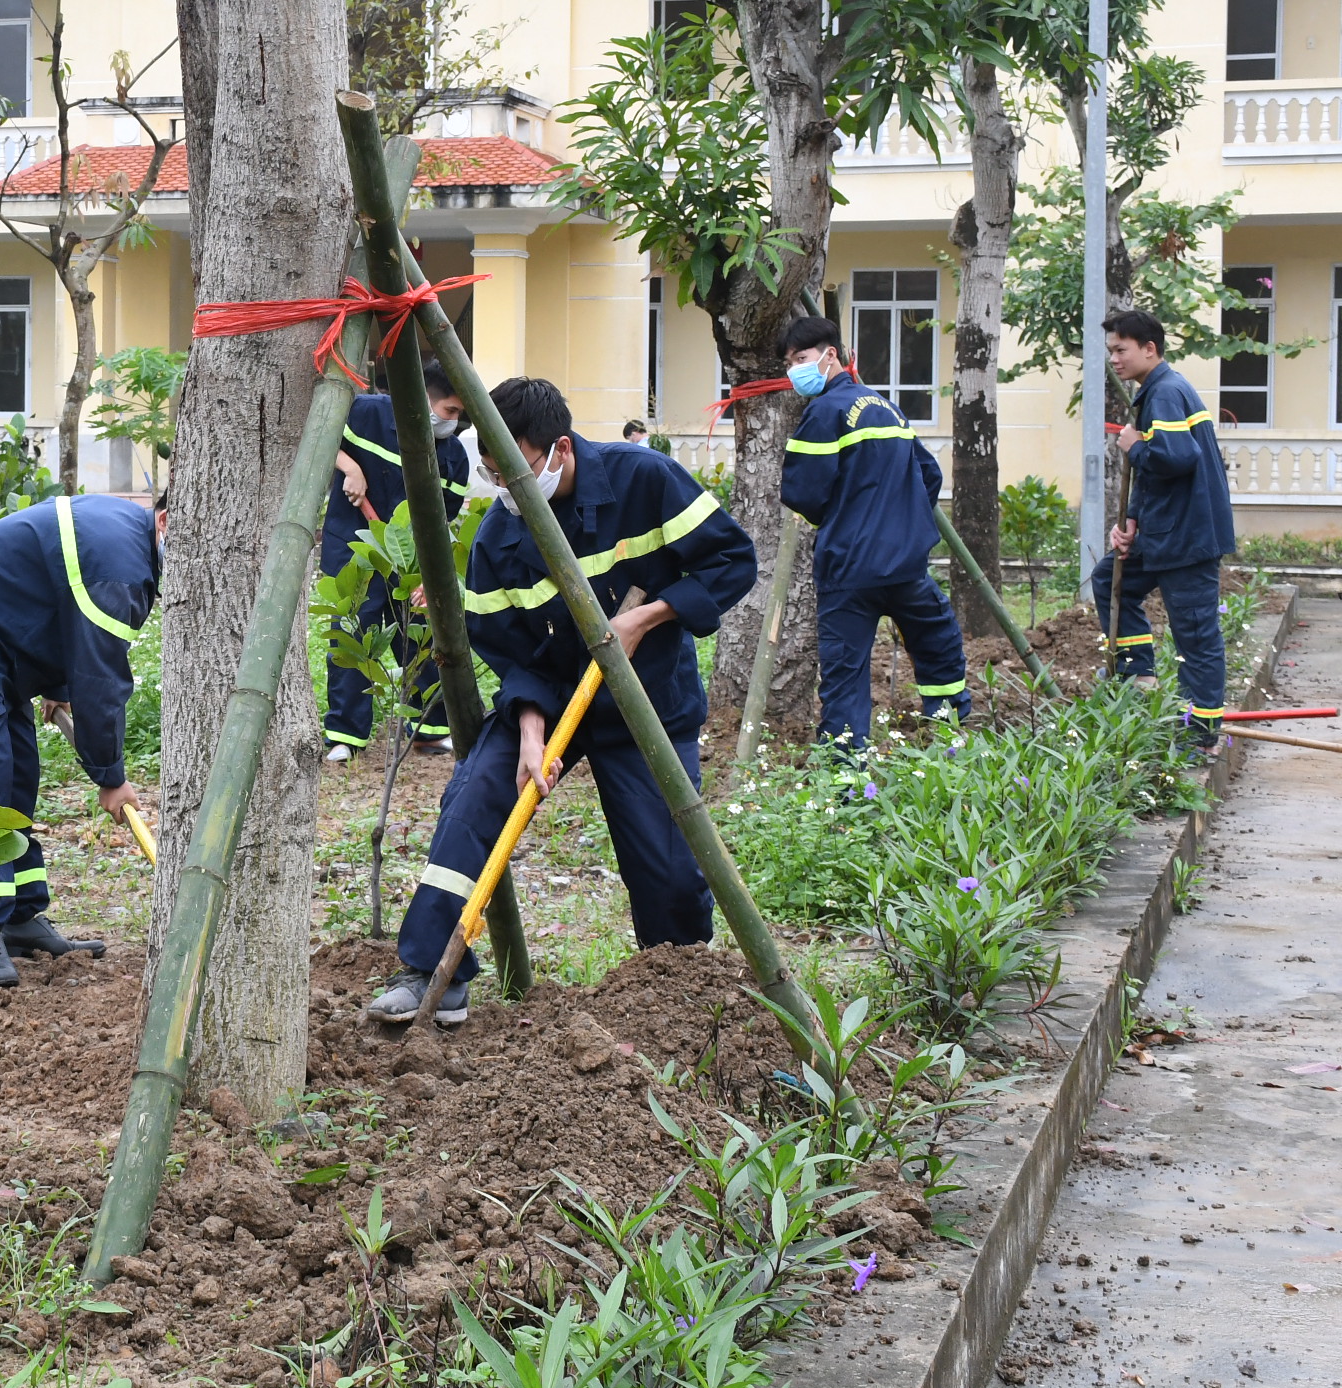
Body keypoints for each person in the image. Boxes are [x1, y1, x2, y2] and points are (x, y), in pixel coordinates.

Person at [368, 377, 755, 1026]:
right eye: (493, 474)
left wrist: (647, 617)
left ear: (561, 450)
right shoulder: (499, 538)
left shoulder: (644, 480)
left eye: (515, 471)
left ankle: (679, 992)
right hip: (549, 703)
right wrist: (529, 732)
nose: (505, 489)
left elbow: (732, 560)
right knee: (473, 799)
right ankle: (433, 971)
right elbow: (514, 653)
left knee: (668, 870)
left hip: (644, 706)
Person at [0, 493, 161, 987]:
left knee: (19, 775)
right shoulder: (120, 569)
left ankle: (19, 917)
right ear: (165, 521)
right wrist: (111, 777)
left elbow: (62, 605)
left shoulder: (127, 539)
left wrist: (56, 686)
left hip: (1, 638)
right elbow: (100, 679)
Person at [777, 316, 970, 751]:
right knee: (938, 644)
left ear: (830, 355)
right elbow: (929, 474)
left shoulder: (823, 413)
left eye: (801, 359)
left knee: (845, 674)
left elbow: (802, 491)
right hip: (906, 566)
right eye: (789, 364)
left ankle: (847, 777)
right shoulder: (886, 407)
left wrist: (843, 518)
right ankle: (949, 742)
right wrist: (902, 522)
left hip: (849, 568)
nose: (794, 371)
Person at [1096, 310, 1236, 750]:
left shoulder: (1166, 393)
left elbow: (1176, 457)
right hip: (1162, 531)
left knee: (1196, 634)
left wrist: (1134, 447)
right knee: (1111, 580)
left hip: (1188, 537)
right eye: (1111, 351)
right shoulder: (1156, 391)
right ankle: (1139, 678)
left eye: (1121, 350)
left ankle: (1200, 733)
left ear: (1149, 348)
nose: (1114, 359)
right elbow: (1157, 474)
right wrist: (1133, 519)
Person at [323, 366, 470, 761]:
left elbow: (442, 521)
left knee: (422, 635)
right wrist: (350, 468)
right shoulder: (365, 413)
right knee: (354, 633)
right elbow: (319, 435)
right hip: (355, 549)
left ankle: (430, 731)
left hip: (410, 561)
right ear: (424, 398)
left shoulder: (453, 457)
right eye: (450, 410)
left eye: (459, 414)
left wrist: (426, 574)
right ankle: (346, 736)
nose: (453, 421)